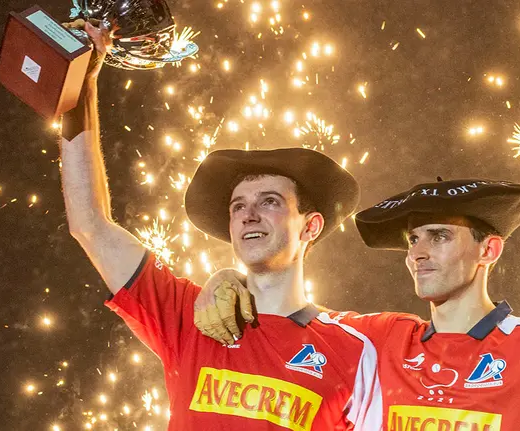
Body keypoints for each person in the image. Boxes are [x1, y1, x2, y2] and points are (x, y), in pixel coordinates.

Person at [59, 21, 381, 430]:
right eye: (237, 206)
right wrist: (81, 84)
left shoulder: (354, 348)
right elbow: (90, 223)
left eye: (270, 202)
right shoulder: (188, 317)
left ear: (311, 226)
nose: (249, 214)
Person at [197, 178, 520, 430]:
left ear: (489, 249)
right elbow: (287, 312)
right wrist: (225, 277)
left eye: (438, 237)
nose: (417, 252)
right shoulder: (375, 342)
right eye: (413, 239)